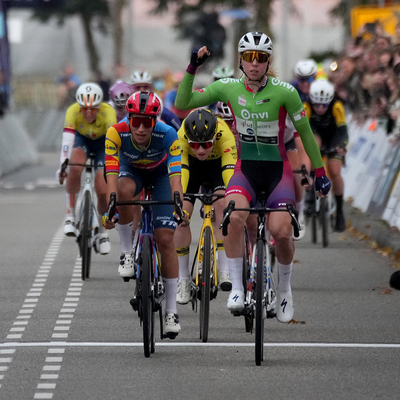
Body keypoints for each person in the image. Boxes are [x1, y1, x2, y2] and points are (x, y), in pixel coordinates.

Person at [174, 31, 331, 323]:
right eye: (249, 57)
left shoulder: (286, 92)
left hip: (277, 171)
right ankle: (235, 285)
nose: (254, 63)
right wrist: (193, 67)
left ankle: (284, 288)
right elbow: (183, 103)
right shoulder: (229, 88)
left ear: (268, 61)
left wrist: (320, 173)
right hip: (244, 169)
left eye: (260, 58)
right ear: (241, 60)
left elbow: (306, 134)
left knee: (282, 232)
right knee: (232, 216)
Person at [102, 91, 185, 337]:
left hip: (161, 176)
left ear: (155, 121)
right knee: (123, 191)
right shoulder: (115, 132)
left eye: (146, 122)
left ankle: (171, 311)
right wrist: (110, 208)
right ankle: (127, 252)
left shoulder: (168, 134)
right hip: (131, 172)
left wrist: (178, 203)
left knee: (166, 239)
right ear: (128, 117)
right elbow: (111, 176)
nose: (140, 128)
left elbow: (176, 178)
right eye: (135, 121)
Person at [174, 109, 237, 304]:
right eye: (196, 145)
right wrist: (180, 203)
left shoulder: (224, 133)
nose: (201, 150)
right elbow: (181, 174)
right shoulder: (181, 137)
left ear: (214, 137)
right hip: (191, 168)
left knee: (222, 203)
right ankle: (183, 279)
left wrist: (231, 197)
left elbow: (229, 173)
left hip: (217, 167)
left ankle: (224, 268)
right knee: (180, 216)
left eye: (207, 144)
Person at [57, 82, 117, 255]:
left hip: (102, 144)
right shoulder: (72, 111)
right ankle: (70, 217)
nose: (89, 112)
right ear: (79, 107)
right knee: (74, 167)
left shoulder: (108, 112)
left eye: (93, 108)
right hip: (82, 141)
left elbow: (113, 144)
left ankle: (103, 233)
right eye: (84, 108)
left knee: (101, 185)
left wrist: (113, 170)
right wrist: (63, 167)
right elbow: (67, 143)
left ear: (99, 106)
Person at [304, 79, 348, 232]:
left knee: (335, 171)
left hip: (333, 138)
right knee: (312, 147)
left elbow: (343, 130)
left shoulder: (336, 105)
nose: (320, 108)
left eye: (324, 105)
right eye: (317, 105)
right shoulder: (306, 106)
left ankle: (340, 211)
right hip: (315, 135)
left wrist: (341, 145)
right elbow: (303, 128)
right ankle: (309, 196)